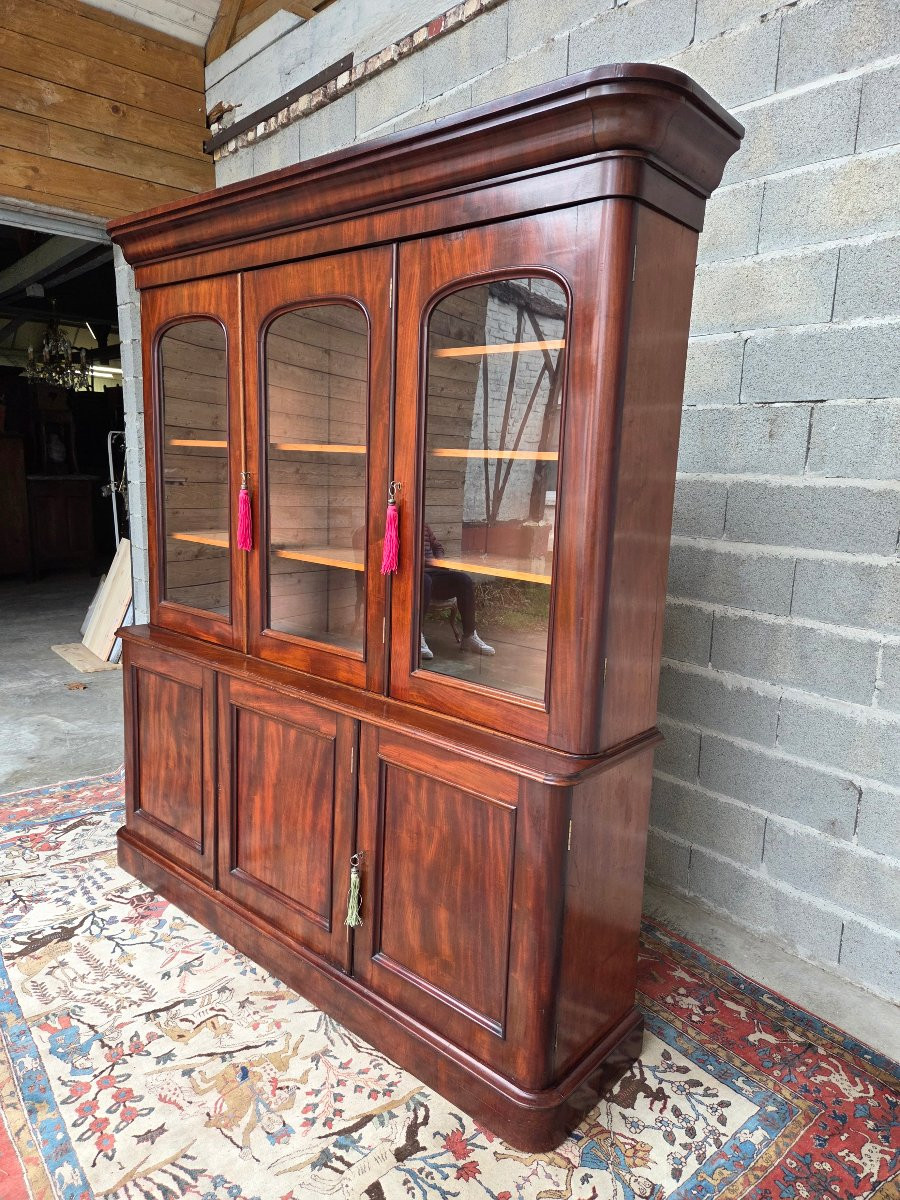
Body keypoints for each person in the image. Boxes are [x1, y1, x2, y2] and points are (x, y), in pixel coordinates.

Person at [421, 524, 494, 660]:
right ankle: (416, 636)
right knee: (425, 581)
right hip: (415, 576)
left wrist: (438, 561)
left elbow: (438, 547)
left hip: (435, 574)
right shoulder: (398, 528)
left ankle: (469, 636)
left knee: (464, 580)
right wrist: (427, 562)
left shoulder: (424, 526)